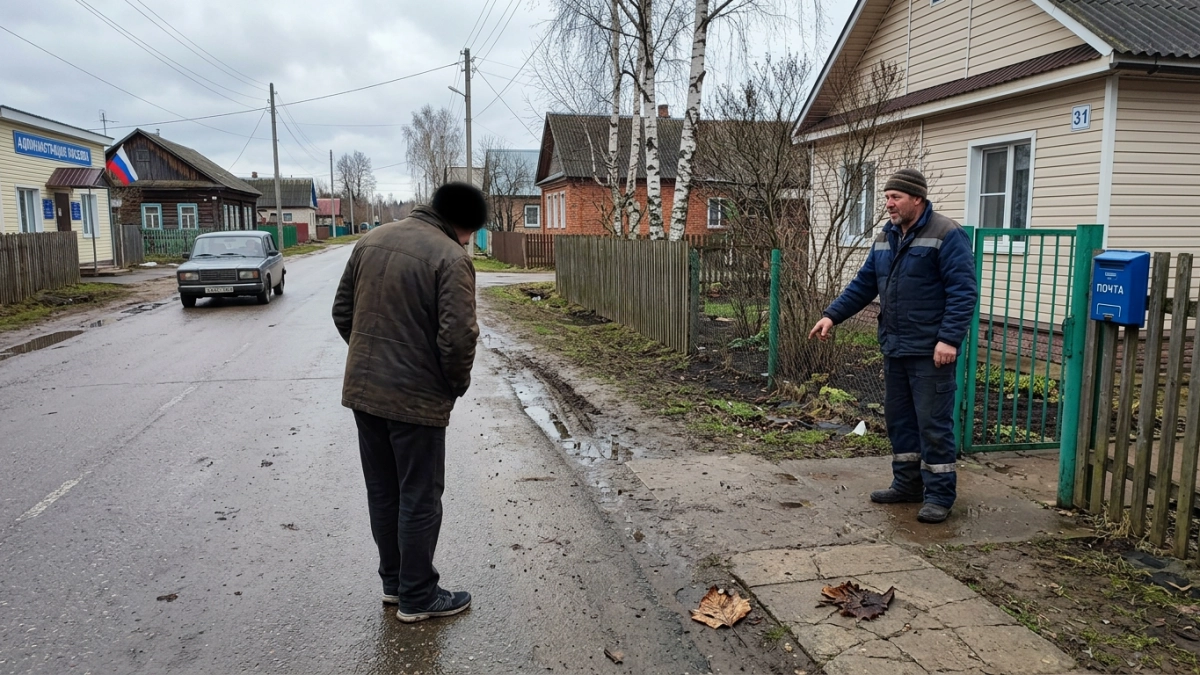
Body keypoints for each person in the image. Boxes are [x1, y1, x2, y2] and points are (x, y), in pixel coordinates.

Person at [332, 182, 487, 621]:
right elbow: (459, 337)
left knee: (384, 491)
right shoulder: (451, 257)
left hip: (365, 392)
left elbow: (342, 312)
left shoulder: (371, 239)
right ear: (464, 225)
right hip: (416, 400)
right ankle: (418, 596)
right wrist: (452, 385)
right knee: (419, 496)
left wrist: (372, 359)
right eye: (471, 234)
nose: (468, 242)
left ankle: (395, 584)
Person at [808, 168, 977, 524]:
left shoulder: (947, 234)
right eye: (886, 197)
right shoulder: (886, 237)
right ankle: (907, 485)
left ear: (917, 198)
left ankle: (939, 496)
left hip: (931, 352)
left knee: (933, 425)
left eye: (895, 197)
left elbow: (963, 292)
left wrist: (949, 339)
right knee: (900, 422)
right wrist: (831, 316)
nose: (888, 204)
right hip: (895, 347)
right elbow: (864, 283)